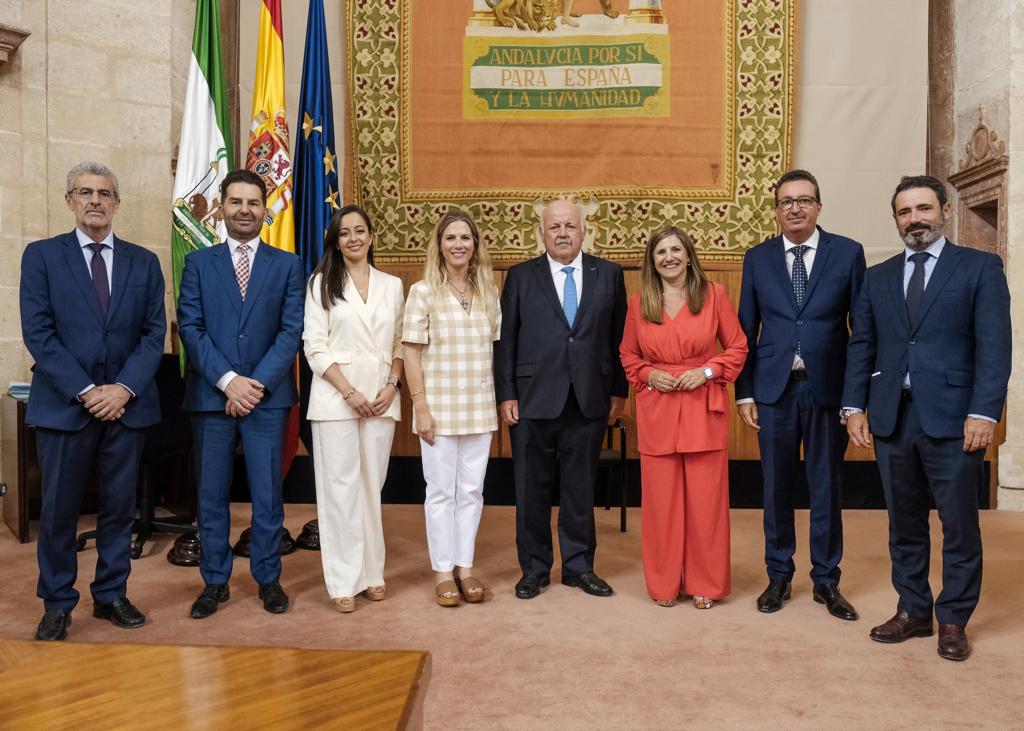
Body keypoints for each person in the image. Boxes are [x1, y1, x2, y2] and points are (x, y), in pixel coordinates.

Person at [843, 175, 1011, 661]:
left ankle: (953, 618)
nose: (914, 219)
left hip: (957, 419)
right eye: (904, 212)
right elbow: (863, 346)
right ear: (895, 219)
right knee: (904, 523)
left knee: (959, 525)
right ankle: (914, 610)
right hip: (893, 419)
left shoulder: (980, 268)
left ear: (945, 211)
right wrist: (855, 407)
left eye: (923, 208)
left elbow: (995, 349)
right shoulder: (878, 277)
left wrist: (984, 412)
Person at [20, 162, 166, 641]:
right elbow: (39, 333)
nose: (96, 200)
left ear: (117, 203)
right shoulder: (41, 256)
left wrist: (122, 388)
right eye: (85, 192)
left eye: (105, 193)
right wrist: (87, 392)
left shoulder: (144, 262)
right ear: (70, 201)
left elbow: (153, 334)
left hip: (126, 409)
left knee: (119, 510)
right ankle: (58, 603)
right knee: (59, 511)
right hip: (65, 408)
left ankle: (110, 596)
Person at [736, 169, 865, 620]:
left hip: (827, 389)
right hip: (774, 391)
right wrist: (745, 393)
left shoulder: (847, 253)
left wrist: (855, 400)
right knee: (776, 486)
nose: (795, 207)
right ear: (776, 210)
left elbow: (861, 331)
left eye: (804, 200)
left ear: (818, 207)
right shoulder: (757, 258)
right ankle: (779, 575)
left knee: (826, 487)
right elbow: (744, 331)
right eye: (786, 201)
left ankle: (827, 581)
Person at [178, 169, 304, 618]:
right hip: (212, 398)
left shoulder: (287, 264)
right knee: (210, 496)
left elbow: (291, 331)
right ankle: (215, 582)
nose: (245, 210)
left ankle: (268, 578)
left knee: (268, 495)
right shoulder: (198, 263)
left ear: (265, 210)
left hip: (267, 398)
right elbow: (190, 328)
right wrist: (228, 380)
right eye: (236, 202)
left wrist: (255, 385)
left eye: (253, 203)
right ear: (222, 208)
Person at [494, 197, 628, 600]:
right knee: (531, 489)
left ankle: (579, 566)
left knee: (580, 489)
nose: (563, 233)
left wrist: (618, 391)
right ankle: (534, 569)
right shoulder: (520, 276)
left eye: (570, 225)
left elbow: (621, 338)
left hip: (589, 399)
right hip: (532, 401)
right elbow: (506, 342)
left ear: (584, 230)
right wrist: (506, 395)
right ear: (541, 233)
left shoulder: (609, 274)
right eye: (554, 227)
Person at [619, 226, 747, 609]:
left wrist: (707, 371)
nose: (669, 257)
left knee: (706, 503)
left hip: (702, 408)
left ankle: (705, 583)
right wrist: (646, 374)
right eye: (661, 252)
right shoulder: (640, 302)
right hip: (658, 409)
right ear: (652, 261)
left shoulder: (714, 295)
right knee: (661, 505)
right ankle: (663, 584)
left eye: (676, 250)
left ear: (689, 255)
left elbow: (738, 346)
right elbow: (628, 355)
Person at [303, 205, 404, 613]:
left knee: (370, 488)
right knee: (340, 490)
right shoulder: (320, 283)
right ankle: (344, 579)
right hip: (335, 399)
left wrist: (392, 385)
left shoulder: (392, 285)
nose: (354, 239)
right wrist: (348, 392)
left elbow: (401, 341)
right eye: (345, 233)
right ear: (335, 240)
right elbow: (314, 346)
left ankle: (372, 573)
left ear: (372, 236)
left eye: (360, 230)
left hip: (381, 398)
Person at [402, 209, 501, 607]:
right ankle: (443, 571)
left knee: (472, 491)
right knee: (441, 492)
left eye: (465, 238)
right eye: (450, 238)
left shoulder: (489, 292)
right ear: (439, 246)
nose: (458, 245)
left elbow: (497, 350)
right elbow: (410, 352)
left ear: (475, 246)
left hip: (479, 406)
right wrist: (420, 406)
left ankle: (466, 566)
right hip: (437, 408)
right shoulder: (423, 292)